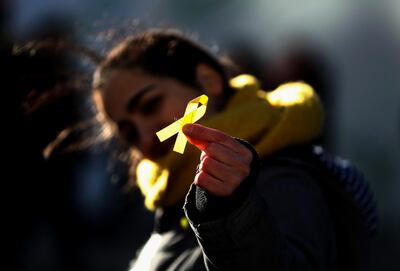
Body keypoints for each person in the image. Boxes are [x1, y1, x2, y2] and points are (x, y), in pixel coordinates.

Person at [92, 29, 377, 271]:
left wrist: (230, 212)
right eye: (127, 131)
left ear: (208, 82)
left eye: (150, 104)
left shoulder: (278, 177)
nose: (146, 137)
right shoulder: (170, 200)